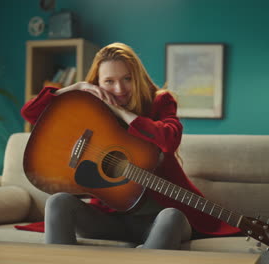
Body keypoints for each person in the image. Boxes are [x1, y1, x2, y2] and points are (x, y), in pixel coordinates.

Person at [20, 42, 240, 250]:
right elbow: (31, 114)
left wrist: (124, 113)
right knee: (58, 203)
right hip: (108, 218)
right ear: (97, 83)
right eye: (109, 81)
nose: (119, 89)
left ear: (137, 78)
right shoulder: (89, 108)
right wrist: (76, 88)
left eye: (127, 79)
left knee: (172, 217)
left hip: (158, 220)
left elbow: (169, 140)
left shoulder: (160, 102)